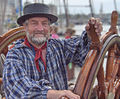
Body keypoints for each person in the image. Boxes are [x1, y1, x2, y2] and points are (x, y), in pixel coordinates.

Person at [3, 3, 102, 99]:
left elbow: (81, 50)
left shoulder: (57, 46)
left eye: (44, 23)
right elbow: (18, 88)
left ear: (50, 28)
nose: (40, 28)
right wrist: (57, 94)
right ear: (25, 27)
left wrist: (90, 36)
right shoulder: (15, 55)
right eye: (34, 23)